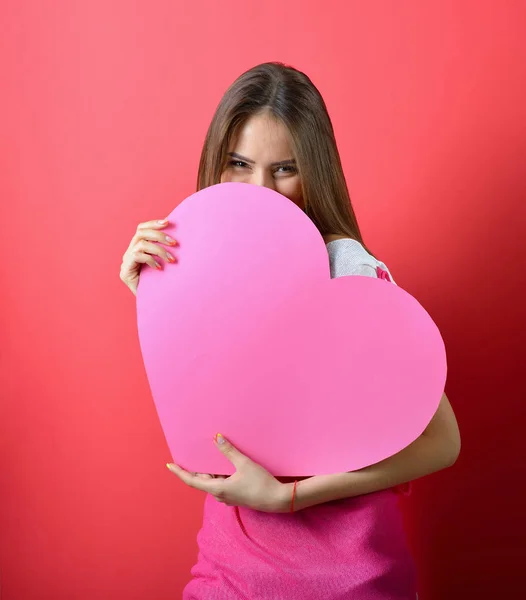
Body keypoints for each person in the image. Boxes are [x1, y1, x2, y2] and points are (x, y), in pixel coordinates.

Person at [119, 62, 461, 599]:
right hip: (227, 571)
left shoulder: (346, 269)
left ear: (314, 172)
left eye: (284, 169)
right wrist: (157, 299)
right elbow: (220, 415)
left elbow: (443, 442)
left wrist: (290, 497)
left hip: (347, 579)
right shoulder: (207, 266)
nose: (262, 188)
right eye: (239, 163)